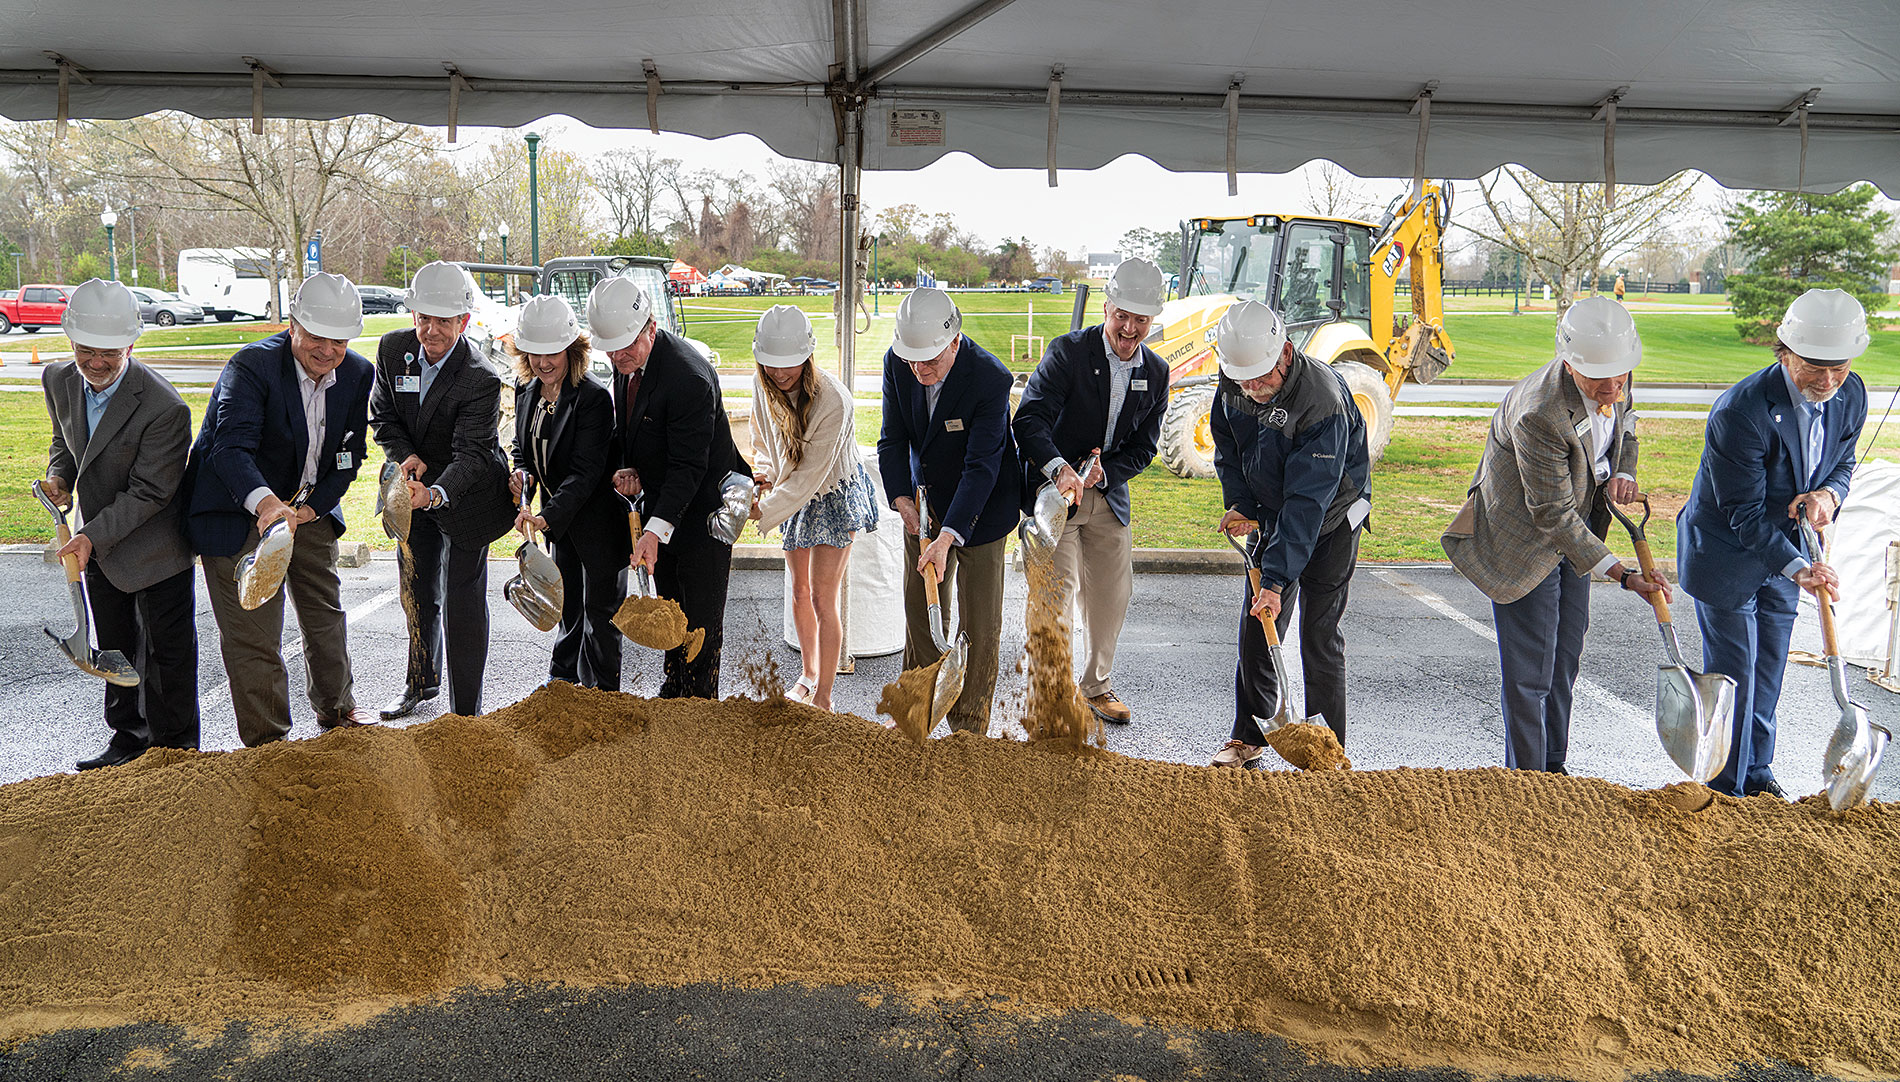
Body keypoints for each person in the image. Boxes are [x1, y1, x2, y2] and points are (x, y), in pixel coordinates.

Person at [1441, 297, 1669, 774]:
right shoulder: (1540, 412)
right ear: (1570, 361)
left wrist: (1621, 471)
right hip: (1523, 538)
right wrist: (1624, 575)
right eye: (1599, 379)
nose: (1613, 387)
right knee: (1531, 672)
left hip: (1577, 529)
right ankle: (1526, 782)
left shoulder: (1616, 371)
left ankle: (1554, 767)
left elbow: (1626, 424)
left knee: (1565, 656)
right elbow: (1552, 514)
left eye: (1620, 376)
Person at [1677, 288, 1870, 799]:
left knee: (1768, 675)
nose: (1828, 383)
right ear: (1784, 350)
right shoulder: (1742, 410)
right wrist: (1798, 569)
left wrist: (1829, 493)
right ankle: (1723, 790)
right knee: (1735, 680)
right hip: (1727, 552)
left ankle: (1758, 779)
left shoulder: (1851, 395)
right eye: (1814, 368)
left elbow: (1844, 465)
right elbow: (1742, 514)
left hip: (1788, 550)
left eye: (1840, 368)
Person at [185, 273, 375, 744]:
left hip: (305, 507)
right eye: (315, 336)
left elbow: (350, 456)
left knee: (324, 611)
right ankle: (270, 744)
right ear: (293, 326)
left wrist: (312, 510)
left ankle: (337, 707)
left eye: (338, 340)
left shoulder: (357, 373)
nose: (327, 350)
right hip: (240, 508)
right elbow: (229, 450)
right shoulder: (251, 368)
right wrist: (269, 506)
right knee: (255, 635)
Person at [41, 279, 198, 769]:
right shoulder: (57, 379)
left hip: (156, 548)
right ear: (71, 342)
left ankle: (177, 755)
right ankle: (127, 742)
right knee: (114, 649)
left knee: (167, 660)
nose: (96, 362)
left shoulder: (164, 407)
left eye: (109, 352)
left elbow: (152, 492)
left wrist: (90, 534)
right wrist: (58, 477)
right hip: (100, 548)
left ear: (131, 344)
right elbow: (66, 444)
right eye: (86, 350)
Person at [1207, 301, 1370, 767]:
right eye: (1244, 381)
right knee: (1257, 629)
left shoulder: (1323, 401)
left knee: (1320, 634)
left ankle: (1329, 750)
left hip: (1332, 518)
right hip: (1270, 513)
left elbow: (1307, 503)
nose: (1253, 389)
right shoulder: (1237, 375)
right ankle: (1248, 736)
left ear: (1285, 353)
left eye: (1262, 378)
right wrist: (1238, 502)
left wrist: (1275, 581)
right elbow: (1229, 448)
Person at [1012, 257, 1171, 724]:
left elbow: (1145, 447)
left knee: (1110, 598)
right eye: (1122, 315)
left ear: (1151, 319)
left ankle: (1096, 688)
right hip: (1054, 496)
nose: (1129, 327)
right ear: (1107, 309)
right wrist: (1060, 468)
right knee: (1053, 596)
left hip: (1106, 499)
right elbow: (1029, 419)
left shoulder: (1157, 374)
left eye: (1140, 319)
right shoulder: (1069, 353)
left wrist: (1106, 474)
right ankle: (1051, 695)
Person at [369, 262, 517, 719]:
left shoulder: (481, 376)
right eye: (422, 318)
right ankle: (420, 682)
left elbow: (472, 454)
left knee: (462, 600)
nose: (429, 330)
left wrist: (432, 494)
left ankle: (465, 710)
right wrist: (403, 456)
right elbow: (383, 416)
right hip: (410, 489)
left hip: (467, 495)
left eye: (442, 321)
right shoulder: (394, 350)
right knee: (415, 588)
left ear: (464, 322)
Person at [589, 276, 747, 699]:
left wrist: (655, 531)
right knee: (669, 606)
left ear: (651, 327)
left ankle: (698, 704)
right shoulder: (627, 365)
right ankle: (674, 687)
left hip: (704, 513)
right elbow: (633, 428)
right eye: (611, 347)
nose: (618, 356)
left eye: (626, 346)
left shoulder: (687, 377)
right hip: (665, 504)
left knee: (698, 619)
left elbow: (688, 466)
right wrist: (628, 466)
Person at [878, 287, 1021, 735]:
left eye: (931, 360)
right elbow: (892, 438)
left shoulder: (989, 379)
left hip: (983, 510)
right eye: (912, 359)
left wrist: (947, 536)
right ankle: (915, 712)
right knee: (919, 608)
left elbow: (982, 469)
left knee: (978, 622)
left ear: (954, 342)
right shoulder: (898, 363)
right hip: (924, 503)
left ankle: (968, 730)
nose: (920, 369)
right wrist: (902, 499)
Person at [748, 305, 880, 709]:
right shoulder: (763, 381)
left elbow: (808, 479)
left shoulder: (834, 401)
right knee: (799, 592)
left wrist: (763, 512)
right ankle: (807, 675)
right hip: (791, 490)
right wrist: (765, 474)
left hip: (831, 494)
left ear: (808, 356)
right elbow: (762, 434)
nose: (779, 373)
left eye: (789, 364)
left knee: (824, 597)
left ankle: (824, 697)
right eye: (770, 364)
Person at [508, 294, 628, 691]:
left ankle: (605, 699)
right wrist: (522, 478)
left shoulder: (593, 399)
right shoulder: (525, 391)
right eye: (534, 353)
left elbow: (585, 473)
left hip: (596, 523)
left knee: (601, 614)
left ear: (571, 349)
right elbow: (522, 450)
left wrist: (544, 517)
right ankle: (561, 687)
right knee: (568, 608)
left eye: (552, 353)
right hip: (561, 523)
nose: (543, 363)